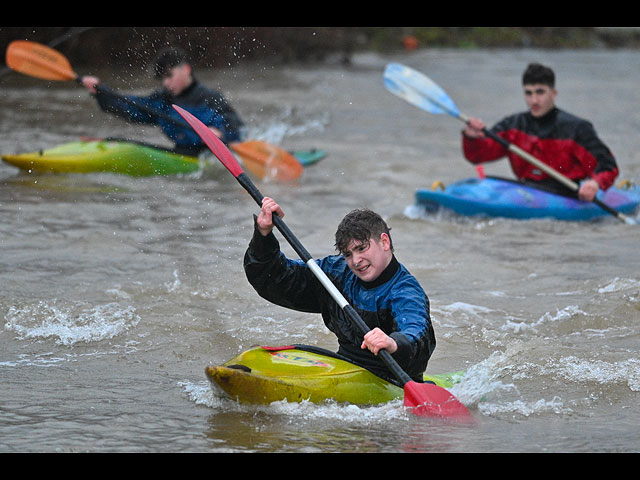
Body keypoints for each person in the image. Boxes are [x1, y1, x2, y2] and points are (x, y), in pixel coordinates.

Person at [243, 197, 436, 384]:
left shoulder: (405, 292)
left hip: (392, 380)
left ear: (384, 242)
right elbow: (279, 279)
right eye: (348, 254)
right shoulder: (336, 273)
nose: (356, 261)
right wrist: (263, 234)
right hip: (344, 367)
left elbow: (416, 330)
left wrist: (394, 343)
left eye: (361, 248)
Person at [462, 63, 618, 202]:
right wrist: (471, 137)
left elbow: (606, 166)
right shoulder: (513, 126)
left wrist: (594, 183)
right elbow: (477, 156)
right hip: (527, 191)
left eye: (540, 92)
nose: (534, 101)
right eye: (528, 93)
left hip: (566, 194)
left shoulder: (576, 128)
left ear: (553, 93)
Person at [81, 46, 245, 155]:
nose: (165, 82)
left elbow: (236, 127)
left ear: (186, 69)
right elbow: (130, 107)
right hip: (181, 153)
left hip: (210, 156)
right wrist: (101, 92)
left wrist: (222, 133)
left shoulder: (210, 98)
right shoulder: (162, 100)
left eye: (169, 76)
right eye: (162, 78)